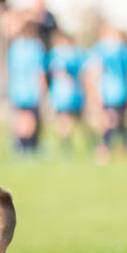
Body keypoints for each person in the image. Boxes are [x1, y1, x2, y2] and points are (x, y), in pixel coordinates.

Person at [86, 23, 127, 163]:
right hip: (108, 92)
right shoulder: (101, 49)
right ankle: (111, 147)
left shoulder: (118, 50)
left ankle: (106, 147)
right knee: (112, 119)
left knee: (113, 120)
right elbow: (93, 72)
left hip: (116, 92)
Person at [7, 22, 47, 155]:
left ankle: (19, 145)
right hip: (31, 90)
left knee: (20, 117)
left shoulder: (14, 47)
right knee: (30, 118)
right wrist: (44, 91)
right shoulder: (36, 47)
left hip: (16, 89)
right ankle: (29, 146)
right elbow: (39, 72)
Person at [46, 30, 89, 156]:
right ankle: (67, 144)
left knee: (69, 119)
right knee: (66, 119)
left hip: (68, 93)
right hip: (65, 93)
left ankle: (72, 144)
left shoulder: (66, 54)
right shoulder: (60, 54)